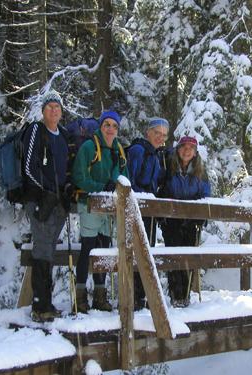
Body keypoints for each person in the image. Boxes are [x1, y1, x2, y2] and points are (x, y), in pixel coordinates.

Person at [22, 90, 72, 322]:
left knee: (49, 249)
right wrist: (45, 191)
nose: (54, 110)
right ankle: (40, 306)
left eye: (57, 107)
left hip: (58, 203)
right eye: (49, 106)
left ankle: (46, 303)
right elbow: (29, 168)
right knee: (42, 249)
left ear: (61, 112)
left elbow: (66, 169)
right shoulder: (36, 131)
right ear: (43, 111)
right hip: (40, 200)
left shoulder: (62, 135)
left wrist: (65, 191)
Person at [72, 110, 128, 313]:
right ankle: (79, 296)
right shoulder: (89, 147)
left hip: (108, 207)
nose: (111, 129)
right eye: (107, 125)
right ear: (101, 126)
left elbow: (124, 177)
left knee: (104, 248)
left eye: (114, 125)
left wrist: (116, 191)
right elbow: (79, 176)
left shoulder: (118, 150)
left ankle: (100, 295)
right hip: (89, 203)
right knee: (87, 248)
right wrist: (99, 187)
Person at [159, 136, 211, 307]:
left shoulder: (200, 171)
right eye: (184, 147)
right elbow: (161, 188)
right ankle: (175, 296)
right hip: (171, 220)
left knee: (187, 258)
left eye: (191, 148)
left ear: (195, 152)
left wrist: (201, 216)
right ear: (178, 149)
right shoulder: (168, 166)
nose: (187, 151)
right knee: (173, 258)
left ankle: (185, 296)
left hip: (191, 221)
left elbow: (205, 195)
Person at [126, 117, 170, 310]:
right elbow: (129, 180)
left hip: (149, 211)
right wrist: (144, 198)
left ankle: (141, 296)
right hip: (136, 208)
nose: (160, 138)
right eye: (157, 133)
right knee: (136, 251)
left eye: (163, 135)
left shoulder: (156, 155)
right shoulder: (138, 151)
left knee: (147, 251)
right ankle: (132, 296)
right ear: (148, 133)